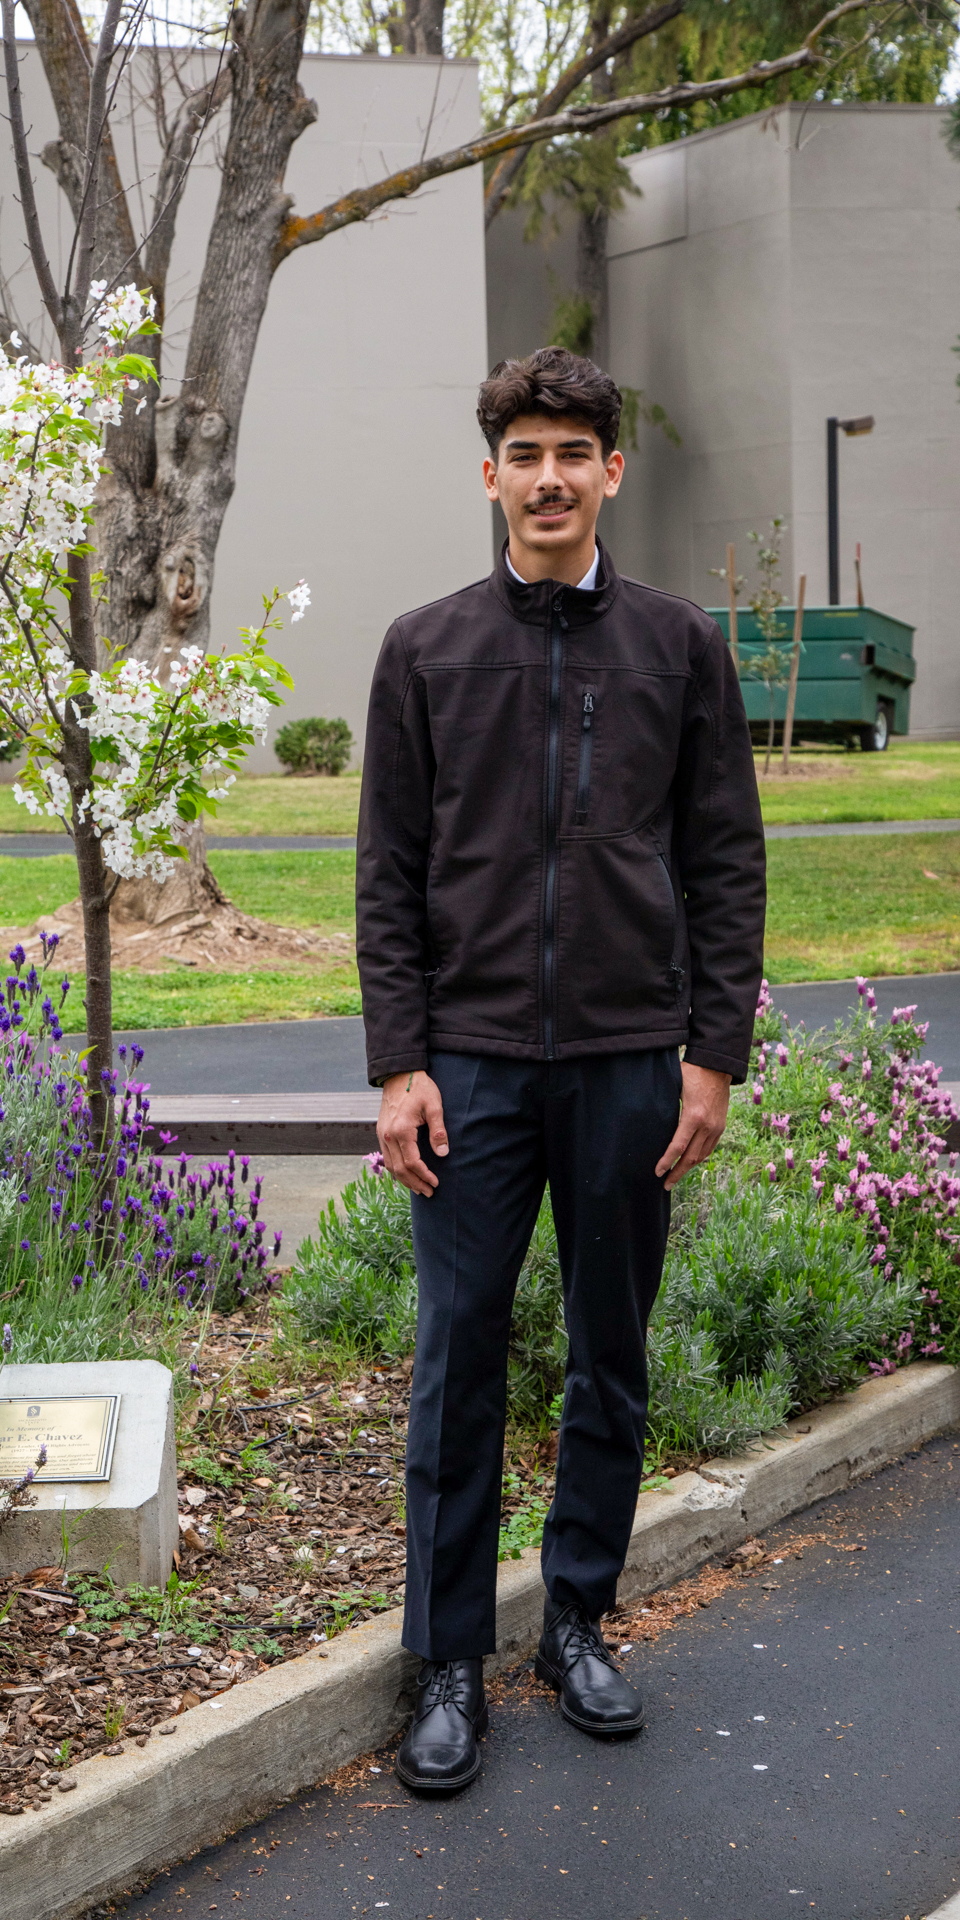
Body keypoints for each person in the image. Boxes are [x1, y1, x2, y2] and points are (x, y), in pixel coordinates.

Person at [355, 347, 766, 1795]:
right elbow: (388, 875)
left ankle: (579, 1618)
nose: (548, 478)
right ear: (491, 476)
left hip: (622, 1062)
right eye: (523, 454)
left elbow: (724, 857)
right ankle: (448, 1659)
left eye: (572, 454)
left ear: (610, 473)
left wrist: (711, 1054)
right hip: (467, 1069)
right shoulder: (425, 648)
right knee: (459, 1360)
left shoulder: (676, 645)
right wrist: (399, 1062)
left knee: (610, 1353)